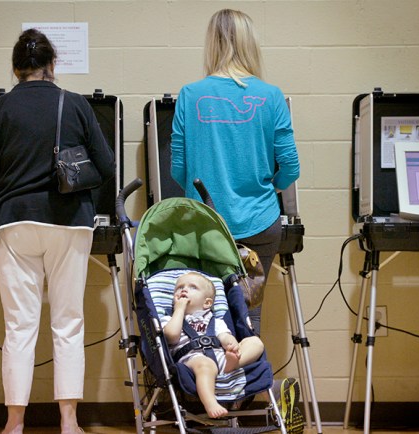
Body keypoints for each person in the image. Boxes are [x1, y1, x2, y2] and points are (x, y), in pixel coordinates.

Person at [0, 28, 115, 434]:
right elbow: (107, 167)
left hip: (14, 224)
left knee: (20, 326)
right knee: (68, 322)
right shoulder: (76, 104)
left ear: (16, 69)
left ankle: (15, 423)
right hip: (69, 223)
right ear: (53, 66)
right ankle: (69, 422)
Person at [170, 9, 300, 335]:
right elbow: (291, 168)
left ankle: (210, 385)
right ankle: (248, 386)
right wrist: (267, 190)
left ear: (212, 44)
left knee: (205, 317)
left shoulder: (190, 94)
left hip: (205, 226)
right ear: (250, 43)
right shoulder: (271, 96)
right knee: (249, 317)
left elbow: (178, 169)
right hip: (260, 223)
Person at [161, 271, 265, 418]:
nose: (183, 289)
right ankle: (210, 403)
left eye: (192, 287)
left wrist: (232, 346)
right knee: (205, 364)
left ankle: (232, 365)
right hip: (192, 360)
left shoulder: (215, 321)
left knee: (255, 342)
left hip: (221, 357)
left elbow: (224, 336)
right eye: (179, 287)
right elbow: (171, 336)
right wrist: (179, 309)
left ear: (207, 303)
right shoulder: (169, 318)